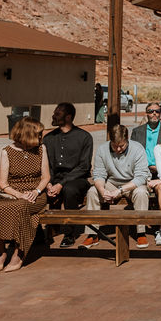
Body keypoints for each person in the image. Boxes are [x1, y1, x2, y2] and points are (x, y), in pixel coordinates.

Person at [0, 117, 50, 272]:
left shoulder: (41, 149)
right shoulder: (7, 152)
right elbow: (3, 183)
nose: (41, 137)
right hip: (12, 193)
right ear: (27, 134)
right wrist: (19, 194)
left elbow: (46, 177)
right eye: (39, 134)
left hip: (36, 193)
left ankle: (18, 253)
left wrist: (36, 191)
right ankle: (1, 253)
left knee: (20, 209)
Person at [79, 124, 151, 250]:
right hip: (112, 182)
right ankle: (92, 233)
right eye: (114, 145)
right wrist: (103, 191)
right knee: (92, 192)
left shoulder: (137, 148)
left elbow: (141, 177)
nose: (118, 149)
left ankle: (141, 232)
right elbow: (99, 174)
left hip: (132, 182)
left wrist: (120, 191)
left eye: (122, 146)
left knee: (141, 193)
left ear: (127, 140)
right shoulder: (102, 149)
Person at [42, 102, 93, 248]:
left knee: (68, 190)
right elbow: (48, 165)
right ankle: (45, 229)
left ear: (69, 117)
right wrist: (49, 183)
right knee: (39, 191)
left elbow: (84, 166)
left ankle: (70, 233)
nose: (54, 116)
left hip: (77, 179)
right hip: (53, 178)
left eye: (58, 114)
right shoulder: (48, 138)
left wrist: (61, 184)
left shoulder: (84, 137)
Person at [130, 102, 161, 179]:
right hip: (141, 171)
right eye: (151, 111)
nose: (154, 113)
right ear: (147, 113)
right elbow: (132, 153)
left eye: (157, 111)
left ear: (160, 113)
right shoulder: (137, 131)